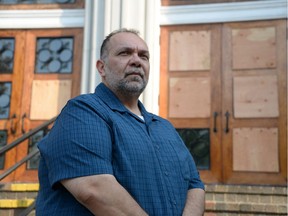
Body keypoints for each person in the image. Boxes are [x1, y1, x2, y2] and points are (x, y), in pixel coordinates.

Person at [36, 28, 205, 216]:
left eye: (144, 56)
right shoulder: (83, 112)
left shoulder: (165, 127)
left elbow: (195, 184)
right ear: (102, 68)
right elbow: (93, 188)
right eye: (124, 53)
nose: (136, 61)